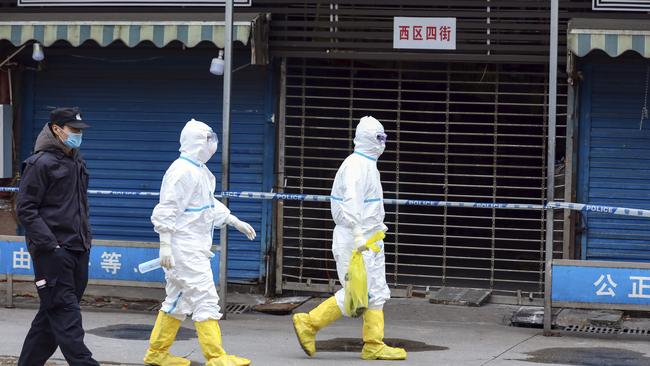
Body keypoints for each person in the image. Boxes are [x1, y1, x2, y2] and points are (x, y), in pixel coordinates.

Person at [292, 116, 407, 360]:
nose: (383, 142)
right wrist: (357, 235)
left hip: (371, 239)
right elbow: (351, 203)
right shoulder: (356, 166)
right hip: (357, 240)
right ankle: (309, 323)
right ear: (368, 139)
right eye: (380, 137)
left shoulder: (368, 165)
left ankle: (373, 344)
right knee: (358, 293)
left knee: (376, 292)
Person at [144, 118, 256, 366]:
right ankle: (215, 357)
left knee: (177, 301)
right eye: (208, 139)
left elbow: (206, 205)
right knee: (205, 298)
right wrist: (165, 244)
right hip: (185, 249)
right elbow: (167, 209)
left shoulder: (199, 171)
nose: (213, 143)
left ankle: (156, 353)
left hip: (190, 248)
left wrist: (232, 220)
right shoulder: (182, 171)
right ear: (196, 142)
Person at [16, 107, 99, 366]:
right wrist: (52, 246)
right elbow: (25, 209)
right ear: (56, 129)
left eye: (79, 131)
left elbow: (78, 206)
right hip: (52, 252)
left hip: (77, 249)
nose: (77, 135)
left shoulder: (76, 161)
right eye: (73, 130)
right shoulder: (40, 163)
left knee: (49, 318)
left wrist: (85, 242)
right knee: (66, 314)